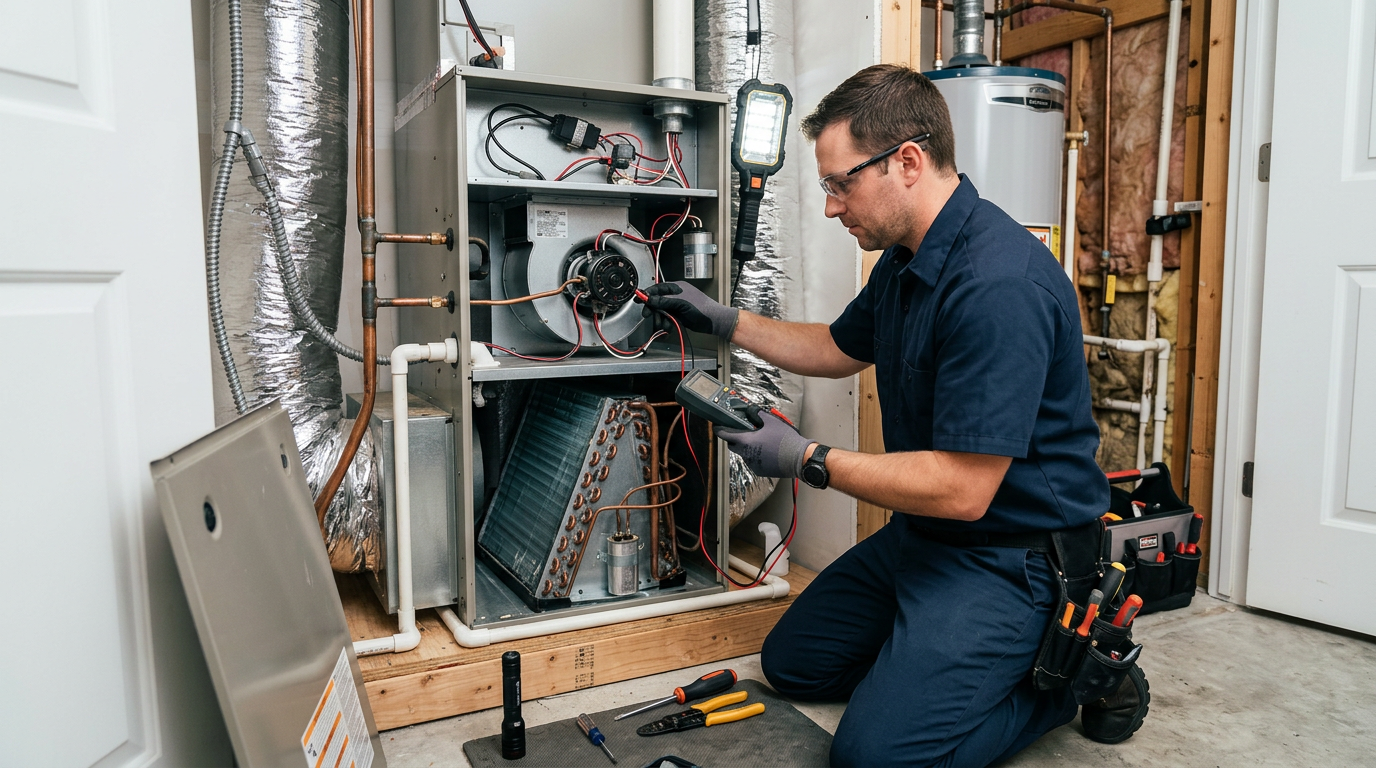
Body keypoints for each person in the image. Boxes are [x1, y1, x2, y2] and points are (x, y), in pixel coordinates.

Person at [641, 64, 1149, 766]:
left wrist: (805, 459)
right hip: (928, 540)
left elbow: (963, 490)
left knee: (873, 759)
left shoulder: (998, 286)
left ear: (906, 161)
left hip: (1013, 559)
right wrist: (726, 322)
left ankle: (1073, 676)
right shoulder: (907, 261)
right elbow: (836, 347)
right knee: (794, 665)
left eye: (839, 183)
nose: (830, 206)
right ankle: (940, 661)